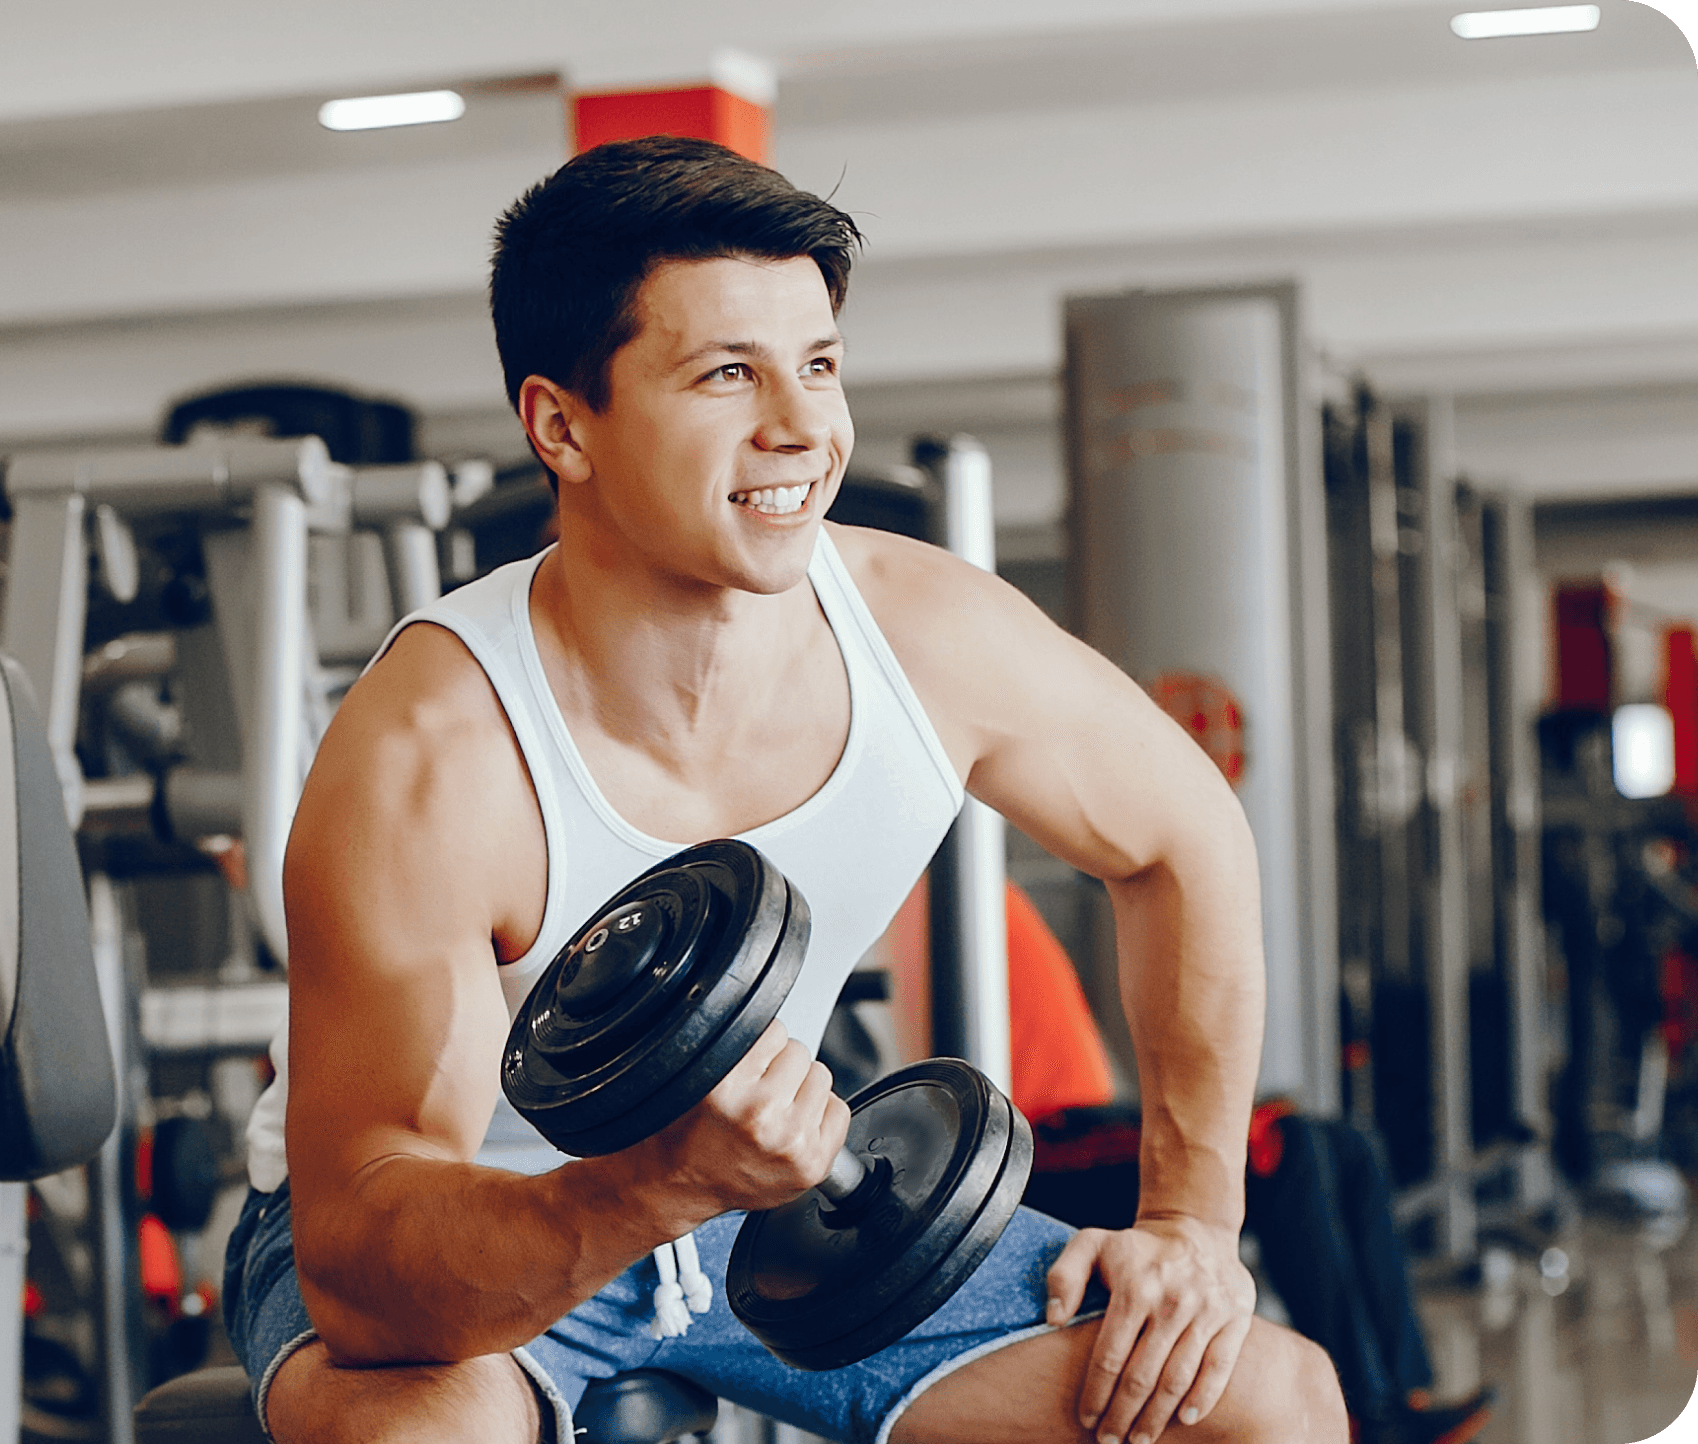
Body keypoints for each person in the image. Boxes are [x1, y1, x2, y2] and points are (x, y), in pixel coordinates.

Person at [221, 134, 1347, 1444]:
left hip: (768, 1197)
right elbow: (364, 1265)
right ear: (561, 427)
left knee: (1266, 1398)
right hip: (467, 1223)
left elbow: (1184, 836)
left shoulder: (925, 636)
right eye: (726, 375)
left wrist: (1190, 1224)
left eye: (818, 364)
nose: (804, 426)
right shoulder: (433, 756)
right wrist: (649, 1192)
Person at [987, 883, 1494, 1444]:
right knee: (1287, 1146)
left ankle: (1404, 1392)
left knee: (1351, 1146)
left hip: (1088, 1109)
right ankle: (1371, 1417)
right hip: (1039, 1134)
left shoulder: (989, 887)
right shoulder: (941, 891)